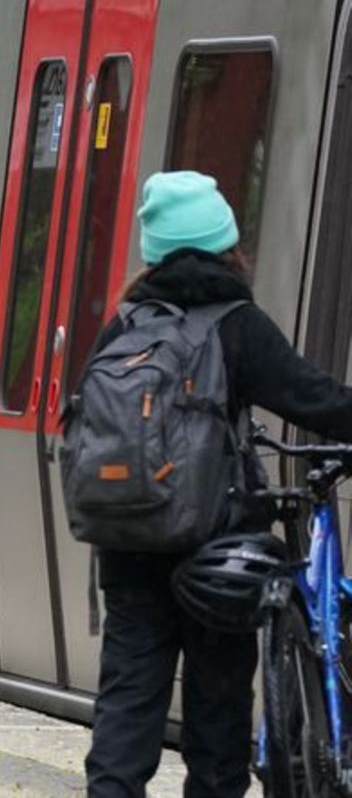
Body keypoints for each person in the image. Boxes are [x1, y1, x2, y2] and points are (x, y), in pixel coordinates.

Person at [84, 171, 352, 797]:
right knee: (217, 714)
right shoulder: (237, 323)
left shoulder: (124, 325)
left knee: (127, 705)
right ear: (227, 243)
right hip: (217, 554)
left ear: (154, 249)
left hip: (128, 544)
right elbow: (311, 398)